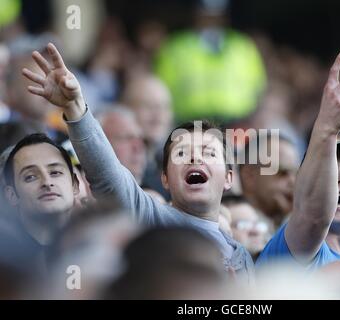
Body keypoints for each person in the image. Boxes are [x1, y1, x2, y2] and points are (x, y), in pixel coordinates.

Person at [22, 43, 254, 281]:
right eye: (182, 153)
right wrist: (74, 106)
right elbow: (106, 175)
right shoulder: (149, 219)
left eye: (209, 153)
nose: (195, 158)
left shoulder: (243, 256)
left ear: (228, 178)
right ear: (164, 178)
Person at [257, 52, 340, 270]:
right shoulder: (292, 249)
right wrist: (326, 127)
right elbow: (314, 218)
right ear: (303, 187)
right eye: (332, 170)